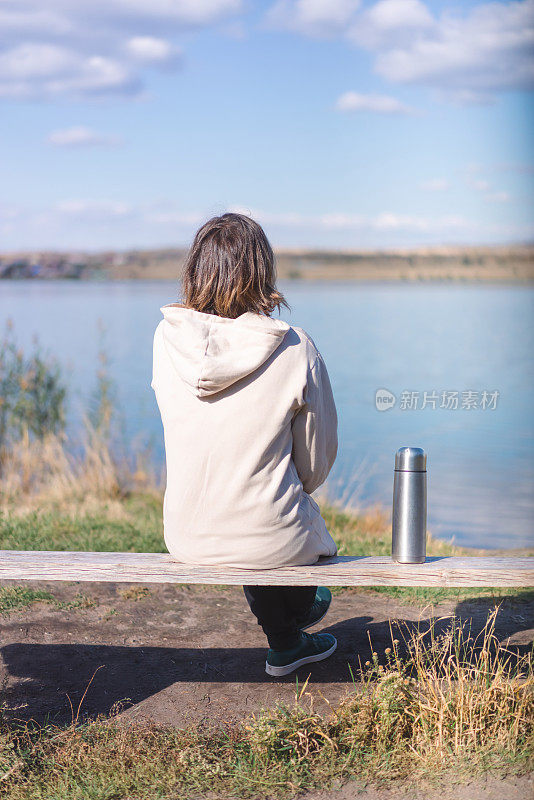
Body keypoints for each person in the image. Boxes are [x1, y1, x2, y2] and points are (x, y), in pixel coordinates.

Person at [151, 212, 339, 676]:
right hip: (269, 534)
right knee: (273, 520)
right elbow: (317, 461)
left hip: (185, 533)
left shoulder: (165, 339)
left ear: (195, 269)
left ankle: (290, 639)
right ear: (263, 271)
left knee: (258, 517)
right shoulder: (296, 346)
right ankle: (293, 625)